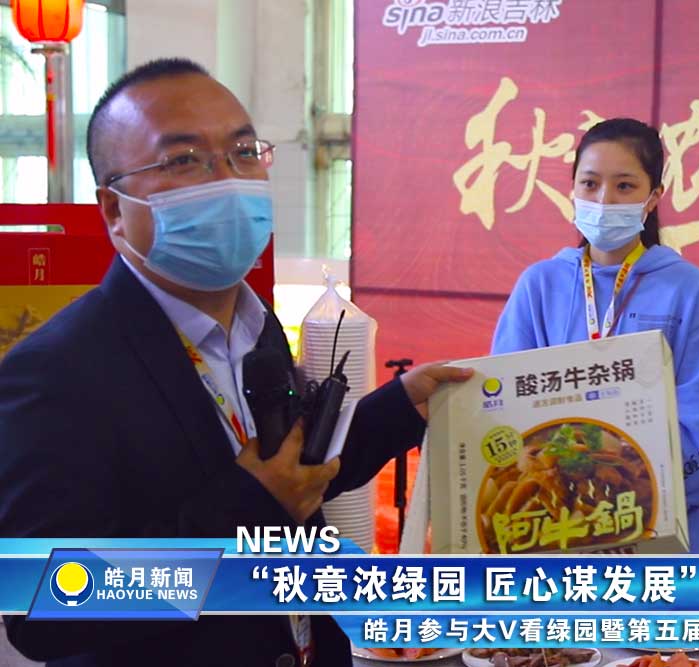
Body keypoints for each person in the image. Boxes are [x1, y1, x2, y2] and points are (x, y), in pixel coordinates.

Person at [0, 58, 470, 666]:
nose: (227, 179)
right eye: (183, 159)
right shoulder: (53, 373)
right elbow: (45, 609)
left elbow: (294, 473)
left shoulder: (256, 324)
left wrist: (403, 406)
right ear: (114, 209)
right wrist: (247, 510)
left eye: (243, 152)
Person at [491, 118, 699, 554]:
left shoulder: (687, 289)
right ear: (572, 190)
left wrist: (631, 490)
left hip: (656, 532)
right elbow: (505, 408)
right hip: (552, 530)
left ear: (653, 197)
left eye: (624, 186)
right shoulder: (539, 285)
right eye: (590, 183)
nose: (604, 200)